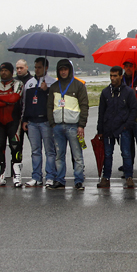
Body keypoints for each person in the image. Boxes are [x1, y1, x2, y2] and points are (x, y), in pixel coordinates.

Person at [47, 58, 90, 190]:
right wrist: (52, 123)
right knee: (59, 155)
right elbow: (49, 106)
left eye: (65, 69)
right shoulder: (54, 87)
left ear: (69, 70)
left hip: (74, 126)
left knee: (77, 155)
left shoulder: (78, 85)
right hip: (58, 126)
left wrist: (81, 125)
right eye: (61, 69)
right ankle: (60, 179)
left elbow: (84, 106)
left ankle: (78, 180)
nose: (63, 72)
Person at [97, 66, 137, 189]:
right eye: (111, 76)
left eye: (115, 76)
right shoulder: (105, 92)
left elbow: (133, 110)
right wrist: (100, 130)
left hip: (123, 127)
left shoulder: (129, 92)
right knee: (108, 154)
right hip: (108, 128)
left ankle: (129, 177)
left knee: (126, 153)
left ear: (121, 76)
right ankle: (106, 177)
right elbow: (101, 111)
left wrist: (127, 126)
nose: (113, 78)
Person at [0, 62, 24, 187]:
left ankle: (17, 176)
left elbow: (14, 98)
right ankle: (0, 176)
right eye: (2, 70)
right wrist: (5, 101)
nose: (3, 72)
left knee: (15, 147)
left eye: (6, 70)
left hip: (13, 121)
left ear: (11, 72)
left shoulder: (17, 83)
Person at [21, 57, 56, 188]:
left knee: (49, 151)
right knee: (35, 151)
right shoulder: (29, 83)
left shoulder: (52, 83)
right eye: (35, 67)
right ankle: (36, 177)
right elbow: (25, 103)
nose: (37, 69)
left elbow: (54, 102)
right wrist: (24, 119)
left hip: (46, 121)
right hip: (32, 122)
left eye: (39, 67)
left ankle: (50, 176)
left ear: (46, 68)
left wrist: (46, 91)